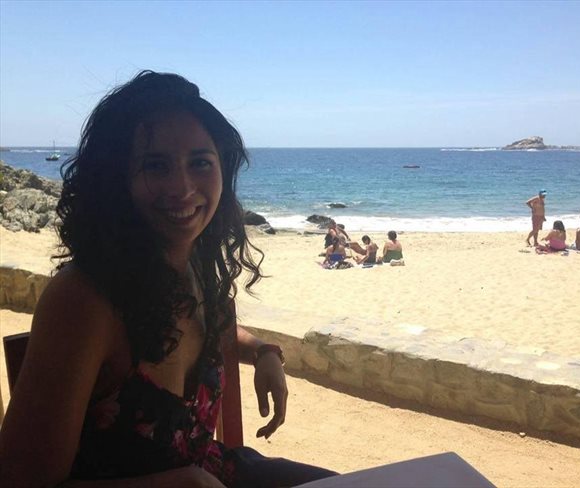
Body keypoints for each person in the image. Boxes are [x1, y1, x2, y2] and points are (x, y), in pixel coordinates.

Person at [0, 71, 337, 487]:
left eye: (200, 162)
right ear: (116, 178)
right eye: (155, 166)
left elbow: (209, 327)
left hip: (219, 470)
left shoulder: (193, 265)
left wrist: (263, 351)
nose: (182, 187)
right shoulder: (83, 301)